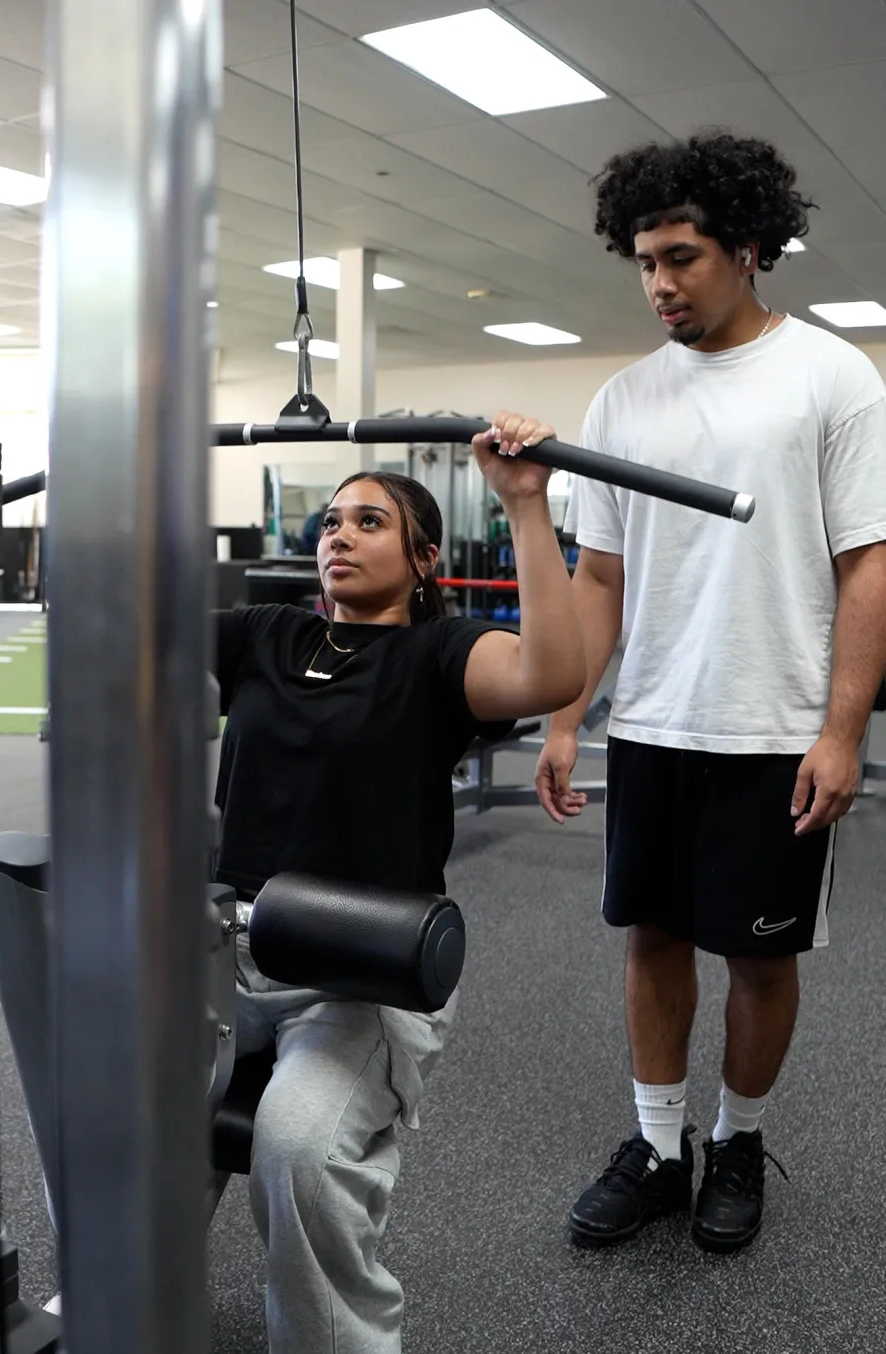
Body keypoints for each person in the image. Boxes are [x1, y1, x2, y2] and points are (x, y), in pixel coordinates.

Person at [532, 131, 886, 1254]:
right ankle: (657, 1145)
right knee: (651, 938)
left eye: (680, 257)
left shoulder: (831, 377)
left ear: (746, 249)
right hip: (652, 722)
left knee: (760, 953)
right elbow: (599, 578)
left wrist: (842, 731)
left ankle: (737, 1139)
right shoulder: (622, 397)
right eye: (644, 262)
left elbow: (866, 565)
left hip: (775, 725)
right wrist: (564, 715)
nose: (659, 284)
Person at [213, 414, 586, 1354]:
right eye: (331, 522)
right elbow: (121, 630)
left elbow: (553, 673)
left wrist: (525, 503)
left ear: (424, 561)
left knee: (298, 1149)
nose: (338, 534)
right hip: (221, 955)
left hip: (356, 973)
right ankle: (120, 1300)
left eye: (369, 521)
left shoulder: (440, 655)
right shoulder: (266, 634)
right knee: (106, 1106)